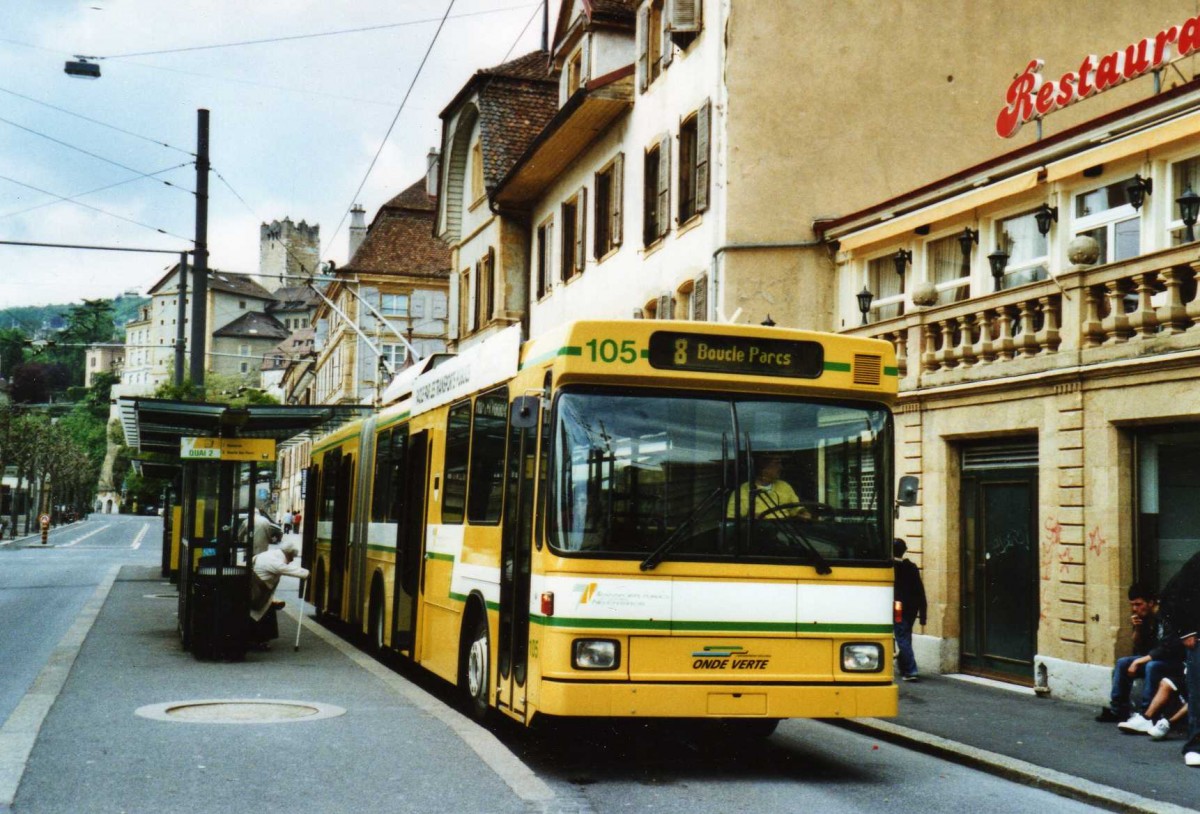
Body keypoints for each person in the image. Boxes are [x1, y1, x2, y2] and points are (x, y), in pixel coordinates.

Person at [1156, 550, 1200, 766]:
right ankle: (1195, 746)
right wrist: (1187, 631)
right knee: (1198, 694)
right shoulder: (1197, 562)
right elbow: (1174, 596)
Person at [1096, 584, 1162, 722]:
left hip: (1169, 660)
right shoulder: (1144, 617)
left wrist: (1139, 661)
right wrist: (1138, 628)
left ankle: (1146, 713)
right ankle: (1118, 709)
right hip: (1151, 658)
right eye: (1132, 605)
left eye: (1138, 604)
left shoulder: (1164, 617)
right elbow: (1138, 645)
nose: (1135, 609)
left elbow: (1167, 649)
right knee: (1122, 663)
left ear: (1151, 603)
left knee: (1152, 666)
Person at [249, 539, 310, 648]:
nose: (291, 561)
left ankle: (260, 640)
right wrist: (305, 573)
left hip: (257, 588)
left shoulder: (271, 554)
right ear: (289, 553)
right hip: (259, 591)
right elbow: (284, 569)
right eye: (292, 558)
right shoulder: (275, 560)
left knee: (263, 613)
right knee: (260, 615)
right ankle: (259, 641)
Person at [726, 454, 809, 520]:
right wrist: (749, 518)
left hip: (785, 533)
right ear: (763, 468)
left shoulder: (784, 486)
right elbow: (731, 521)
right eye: (776, 463)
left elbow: (797, 508)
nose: (781, 467)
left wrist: (803, 512)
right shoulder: (742, 491)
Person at [893, 538, 927, 682]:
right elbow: (920, 590)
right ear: (905, 551)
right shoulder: (912, 567)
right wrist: (923, 613)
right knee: (905, 635)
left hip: (898, 606)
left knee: (902, 636)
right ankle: (903, 665)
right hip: (912, 608)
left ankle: (911, 670)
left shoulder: (891, 567)